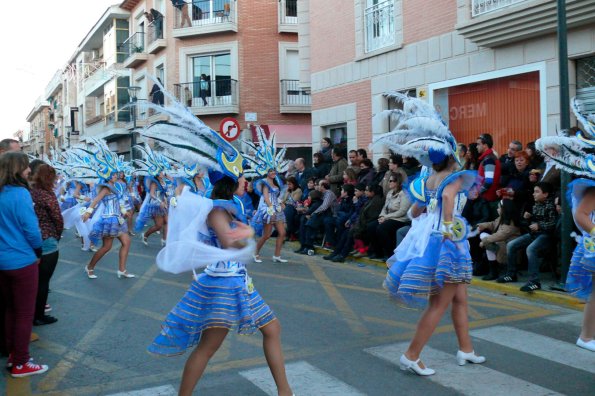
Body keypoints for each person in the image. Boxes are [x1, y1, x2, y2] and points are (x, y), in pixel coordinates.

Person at [141, 92, 293, 395]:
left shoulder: (225, 205)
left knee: (269, 330)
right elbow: (228, 242)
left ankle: (285, 392)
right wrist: (248, 234)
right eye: (242, 178)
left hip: (234, 279)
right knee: (209, 347)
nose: (246, 181)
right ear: (231, 180)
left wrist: (245, 232)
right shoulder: (218, 209)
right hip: (225, 281)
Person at [377, 93, 484, 375]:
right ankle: (412, 355)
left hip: (431, 239)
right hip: (447, 243)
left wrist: (431, 216)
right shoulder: (454, 177)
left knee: (460, 299)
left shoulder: (429, 180)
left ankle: (466, 349)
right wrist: (449, 226)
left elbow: (414, 213)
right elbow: (449, 199)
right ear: (452, 155)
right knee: (438, 304)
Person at [0, 152, 49, 377]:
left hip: (2, 262)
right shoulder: (20, 194)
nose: (29, 170)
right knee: (24, 314)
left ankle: (14, 355)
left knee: (10, 309)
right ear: (18, 169)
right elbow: (32, 230)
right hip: (21, 261)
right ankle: (20, 362)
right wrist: (38, 250)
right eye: (26, 166)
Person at [80, 141, 135, 279]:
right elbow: (96, 200)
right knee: (106, 247)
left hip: (118, 219)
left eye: (116, 174)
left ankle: (122, 270)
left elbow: (119, 201)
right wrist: (88, 212)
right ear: (108, 176)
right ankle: (89, 267)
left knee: (126, 242)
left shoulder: (116, 187)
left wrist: (124, 210)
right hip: (109, 220)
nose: (116, 175)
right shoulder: (106, 188)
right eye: (114, 174)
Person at [497, 182, 557, 291]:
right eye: (534, 191)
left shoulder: (551, 205)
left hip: (546, 236)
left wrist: (539, 225)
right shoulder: (536, 204)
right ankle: (511, 274)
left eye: (537, 192)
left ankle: (534, 281)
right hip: (534, 234)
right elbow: (531, 224)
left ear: (545, 194)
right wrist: (528, 218)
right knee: (511, 245)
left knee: (531, 249)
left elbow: (553, 224)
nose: (534, 194)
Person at [30, 164, 63, 325]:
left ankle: (31, 313)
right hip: (47, 239)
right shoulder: (47, 194)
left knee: (34, 280)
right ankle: (39, 315)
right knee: (43, 281)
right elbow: (57, 217)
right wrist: (57, 235)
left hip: (31, 240)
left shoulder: (30, 192)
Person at [368, 172, 411, 261]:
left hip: (400, 219)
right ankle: (378, 252)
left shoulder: (404, 194)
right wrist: (382, 216)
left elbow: (402, 211)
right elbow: (385, 207)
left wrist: (386, 217)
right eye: (389, 181)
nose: (389, 183)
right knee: (371, 226)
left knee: (382, 228)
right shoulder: (390, 193)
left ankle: (389, 254)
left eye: (391, 181)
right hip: (389, 217)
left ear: (397, 182)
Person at [476, 199, 521, 281]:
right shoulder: (501, 218)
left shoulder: (511, 223)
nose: (497, 209)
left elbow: (500, 235)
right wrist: (483, 225)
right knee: (483, 235)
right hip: (500, 246)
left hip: (507, 251)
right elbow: (493, 224)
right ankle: (493, 270)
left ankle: (494, 271)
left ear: (505, 209)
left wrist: (484, 241)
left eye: (499, 208)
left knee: (487, 242)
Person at [252, 170, 288, 262]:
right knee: (267, 235)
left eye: (274, 171)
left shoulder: (277, 183)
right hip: (269, 210)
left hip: (277, 209)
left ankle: (277, 256)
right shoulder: (265, 183)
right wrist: (272, 211)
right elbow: (266, 198)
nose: (273, 173)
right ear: (267, 172)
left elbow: (277, 196)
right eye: (271, 171)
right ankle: (255, 253)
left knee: (282, 232)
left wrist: (281, 203)